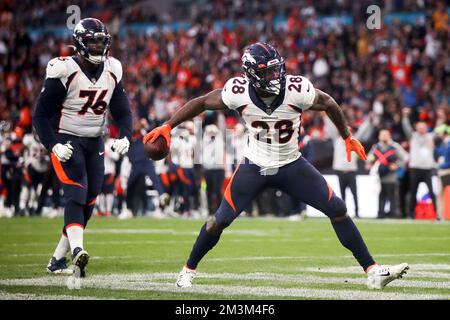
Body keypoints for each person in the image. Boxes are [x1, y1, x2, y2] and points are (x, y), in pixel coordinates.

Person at [143, 42, 409, 289]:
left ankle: (372, 272)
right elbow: (201, 103)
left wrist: (347, 136)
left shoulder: (296, 88)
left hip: (291, 163)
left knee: (338, 209)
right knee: (218, 221)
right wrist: (168, 125)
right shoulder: (237, 92)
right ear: (252, 75)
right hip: (254, 165)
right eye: (268, 72)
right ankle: (188, 270)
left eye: (277, 70)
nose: (276, 76)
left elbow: (328, 102)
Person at [32, 18, 132, 276]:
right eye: (92, 42)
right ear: (79, 44)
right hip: (67, 138)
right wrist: (53, 145)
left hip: (95, 141)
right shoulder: (64, 69)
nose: (98, 47)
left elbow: (123, 112)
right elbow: (40, 116)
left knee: (89, 200)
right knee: (76, 192)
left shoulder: (113, 69)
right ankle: (77, 250)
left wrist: (124, 136)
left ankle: (57, 260)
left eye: (101, 42)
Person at [401, 108, 438, 219]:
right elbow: (406, 127)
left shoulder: (430, 137)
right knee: (413, 192)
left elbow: (437, 130)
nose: (421, 129)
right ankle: (411, 214)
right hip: (415, 168)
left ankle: (436, 214)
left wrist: (440, 119)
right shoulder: (413, 137)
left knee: (432, 192)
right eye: (419, 127)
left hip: (427, 169)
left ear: (426, 128)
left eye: (423, 127)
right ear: (416, 128)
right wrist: (405, 117)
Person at [366, 129, 408, 219]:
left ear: (389, 136)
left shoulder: (394, 146)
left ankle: (393, 214)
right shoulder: (376, 147)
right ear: (379, 136)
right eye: (382, 135)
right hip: (378, 176)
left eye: (386, 135)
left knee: (392, 196)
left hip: (391, 176)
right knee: (380, 195)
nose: (384, 136)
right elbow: (369, 157)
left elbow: (404, 157)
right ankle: (380, 213)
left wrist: (397, 165)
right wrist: (369, 163)